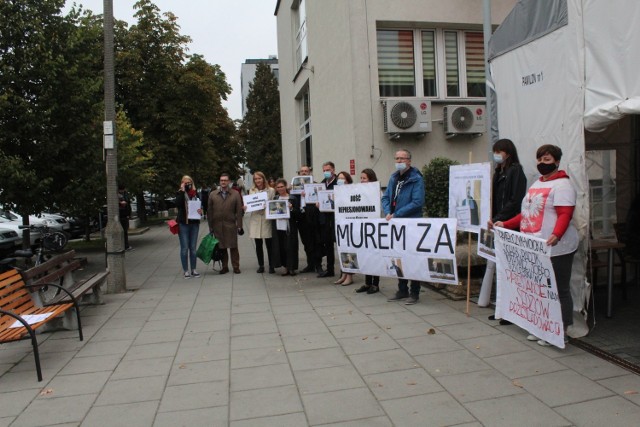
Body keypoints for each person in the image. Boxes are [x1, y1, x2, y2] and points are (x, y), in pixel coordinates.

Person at [492, 144, 578, 346]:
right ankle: (543, 328)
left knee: (558, 289)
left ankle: (562, 330)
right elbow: (527, 213)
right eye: (539, 160)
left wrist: (557, 234)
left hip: (558, 247)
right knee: (540, 289)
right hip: (536, 246)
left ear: (557, 162)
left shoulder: (563, 185)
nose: (542, 164)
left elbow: (565, 213)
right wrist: (506, 223)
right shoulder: (537, 184)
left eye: (547, 160)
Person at [479, 139, 527, 325]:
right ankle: (502, 308)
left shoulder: (515, 171)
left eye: (499, 151)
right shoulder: (499, 172)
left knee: (510, 269)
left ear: (508, 152)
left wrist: (500, 217)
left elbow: (515, 200)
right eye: (495, 151)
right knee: (500, 268)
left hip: (509, 224)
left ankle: (512, 310)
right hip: (498, 223)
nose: (496, 155)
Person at [382, 149, 425, 305]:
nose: (399, 161)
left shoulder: (416, 179)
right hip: (395, 223)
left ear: (409, 161)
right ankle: (402, 289)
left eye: (402, 158)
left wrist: (397, 214)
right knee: (398, 257)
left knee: (413, 258)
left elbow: (417, 202)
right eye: (397, 158)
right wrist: (388, 212)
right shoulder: (394, 178)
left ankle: (414, 292)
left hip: (411, 223)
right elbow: (386, 197)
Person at [207, 173, 244, 274]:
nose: (223, 182)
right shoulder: (213, 194)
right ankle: (224, 267)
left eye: (225, 180)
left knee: (233, 247)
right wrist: (210, 227)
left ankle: (236, 266)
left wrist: (240, 226)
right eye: (221, 180)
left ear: (229, 182)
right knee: (221, 247)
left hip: (231, 224)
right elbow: (209, 211)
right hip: (217, 225)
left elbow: (239, 211)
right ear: (219, 182)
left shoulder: (235, 194)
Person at [356, 168, 380, 294]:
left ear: (371, 179)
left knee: (374, 256)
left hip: (374, 229)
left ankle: (375, 284)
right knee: (364, 255)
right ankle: (367, 282)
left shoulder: (377, 192)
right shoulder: (359, 192)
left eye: (364, 178)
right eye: (361, 178)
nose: (362, 181)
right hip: (363, 227)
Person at [246, 171, 276, 274]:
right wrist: (246, 207)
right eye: (256, 179)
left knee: (269, 244)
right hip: (255, 219)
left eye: (259, 178)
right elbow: (250, 203)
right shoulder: (252, 190)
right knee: (258, 244)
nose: (258, 180)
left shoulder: (271, 190)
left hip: (267, 219)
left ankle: (272, 265)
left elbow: (273, 203)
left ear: (263, 179)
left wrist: (267, 205)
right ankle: (261, 265)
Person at [270, 178, 299, 276]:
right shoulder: (275, 199)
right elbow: (272, 211)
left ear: (285, 186)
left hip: (289, 226)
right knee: (281, 247)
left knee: (290, 247)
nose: (280, 188)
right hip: (279, 226)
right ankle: (285, 267)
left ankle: (292, 268)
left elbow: (297, 214)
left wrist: (291, 208)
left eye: (282, 186)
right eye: (278, 187)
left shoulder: (292, 198)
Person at [295, 165, 320, 273]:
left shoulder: (316, 185)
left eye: (306, 171)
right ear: (299, 174)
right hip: (301, 218)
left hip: (313, 217)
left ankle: (318, 265)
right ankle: (310, 264)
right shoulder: (295, 187)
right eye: (302, 171)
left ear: (310, 173)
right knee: (306, 242)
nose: (304, 173)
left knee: (316, 242)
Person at [176, 175, 202, 278]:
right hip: (183, 224)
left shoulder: (195, 194)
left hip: (194, 223)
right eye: (185, 183)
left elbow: (200, 206)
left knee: (193, 248)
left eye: (189, 183)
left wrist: (201, 211)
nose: (187, 185)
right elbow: (177, 204)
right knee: (184, 248)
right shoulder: (180, 193)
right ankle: (186, 270)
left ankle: (194, 269)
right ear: (182, 183)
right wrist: (182, 191)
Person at [333, 171, 356, 286]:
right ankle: (344, 274)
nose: (340, 181)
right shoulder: (337, 191)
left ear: (348, 180)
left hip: (351, 224)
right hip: (340, 224)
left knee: (350, 249)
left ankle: (350, 275)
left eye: (343, 179)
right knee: (342, 249)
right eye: (339, 178)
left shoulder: (353, 191)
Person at [316, 161, 338, 278]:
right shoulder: (322, 184)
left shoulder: (339, 182)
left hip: (336, 218)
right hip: (325, 219)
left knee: (339, 243)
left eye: (328, 170)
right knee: (328, 244)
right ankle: (330, 269)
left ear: (333, 170)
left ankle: (346, 270)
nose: (326, 172)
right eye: (324, 170)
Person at [118, 183, 133, 251]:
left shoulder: (125, 194)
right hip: (121, 215)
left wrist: (129, 214)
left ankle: (126, 245)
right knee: (123, 232)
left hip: (125, 214)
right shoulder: (118, 195)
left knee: (125, 231)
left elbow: (128, 204)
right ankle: (124, 246)